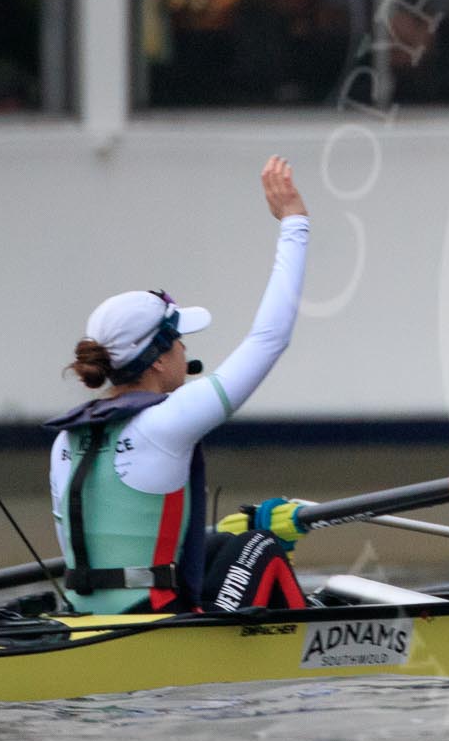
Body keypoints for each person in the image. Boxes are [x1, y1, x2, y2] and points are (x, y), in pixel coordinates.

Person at [44, 157, 311, 614]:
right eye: (181, 340)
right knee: (258, 545)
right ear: (160, 357)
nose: (187, 351)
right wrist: (295, 223)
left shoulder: (68, 437)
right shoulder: (166, 423)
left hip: (84, 613)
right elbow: (270, 339)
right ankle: (321, 643)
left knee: (220, 543)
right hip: (153, 619)